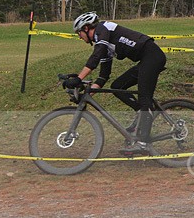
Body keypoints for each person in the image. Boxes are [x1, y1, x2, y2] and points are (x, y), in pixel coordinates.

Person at [66, 12, 167, 155]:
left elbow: (96, 55)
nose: (79, 37)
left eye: (79, 33)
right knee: (117, 87)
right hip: (146, 60)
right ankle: (141, 114)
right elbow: (103, 76)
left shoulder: (102, 29)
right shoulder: (104, 43)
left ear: (86, 28)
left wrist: (79, 77)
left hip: (153, 57)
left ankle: (143, 143)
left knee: (145, 99)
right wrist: (86, 94)